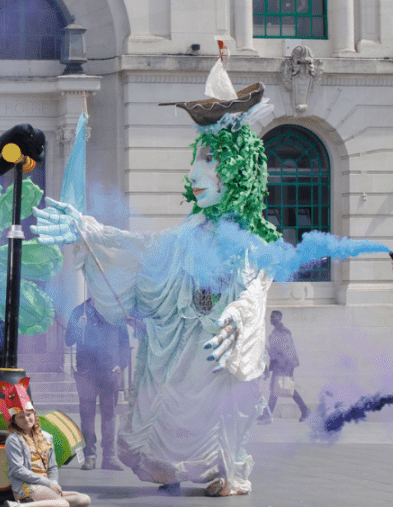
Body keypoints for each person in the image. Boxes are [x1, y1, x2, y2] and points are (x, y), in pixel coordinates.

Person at [32, 72, 277, 496]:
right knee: (166, 406)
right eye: (196, 159)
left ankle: (226, 471)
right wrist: (88, 229)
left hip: (217, 347)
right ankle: (172, 466)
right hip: (180, 345)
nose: (195, 172)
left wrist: (237, 318)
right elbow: (141, 247)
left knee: (222, 408)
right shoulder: (188, 233)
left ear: (237, 172)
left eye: (210, 161)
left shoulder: (253, 240)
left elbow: (255, 290)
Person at [0, 379, 91, 507]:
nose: (26, 419)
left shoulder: (47, 437)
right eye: (20, 417)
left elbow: (52, 467)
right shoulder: (13, 440)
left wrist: (53, 483)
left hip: (45, 485)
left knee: (84, 499)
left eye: (28, 415)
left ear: (34, 415)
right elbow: (18, 470)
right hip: (26, 487)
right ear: (14, 421)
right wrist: (47, 484)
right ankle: (19, 506)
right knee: (62, 504)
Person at [64, 298, 129, 471]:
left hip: (110, 371)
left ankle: (109, 456)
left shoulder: (115, 310)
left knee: (109, 415)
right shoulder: (79, 311)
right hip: (86, 371)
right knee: (87, 415)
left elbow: (124, 342)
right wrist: (78, 326)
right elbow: (68, 340)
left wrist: (121, 364)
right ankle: (89, 456)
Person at [257, 310, 309, 423]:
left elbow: (284, 351)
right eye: (271, 317)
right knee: (275, 390)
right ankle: (268, 414)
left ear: (279, 318)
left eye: (274, 317)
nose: (271, 319)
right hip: (281, 365)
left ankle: (305, 410)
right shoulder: (277, 332)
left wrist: (266, 348)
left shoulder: (282, 332)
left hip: (284, 365)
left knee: (286, 390)